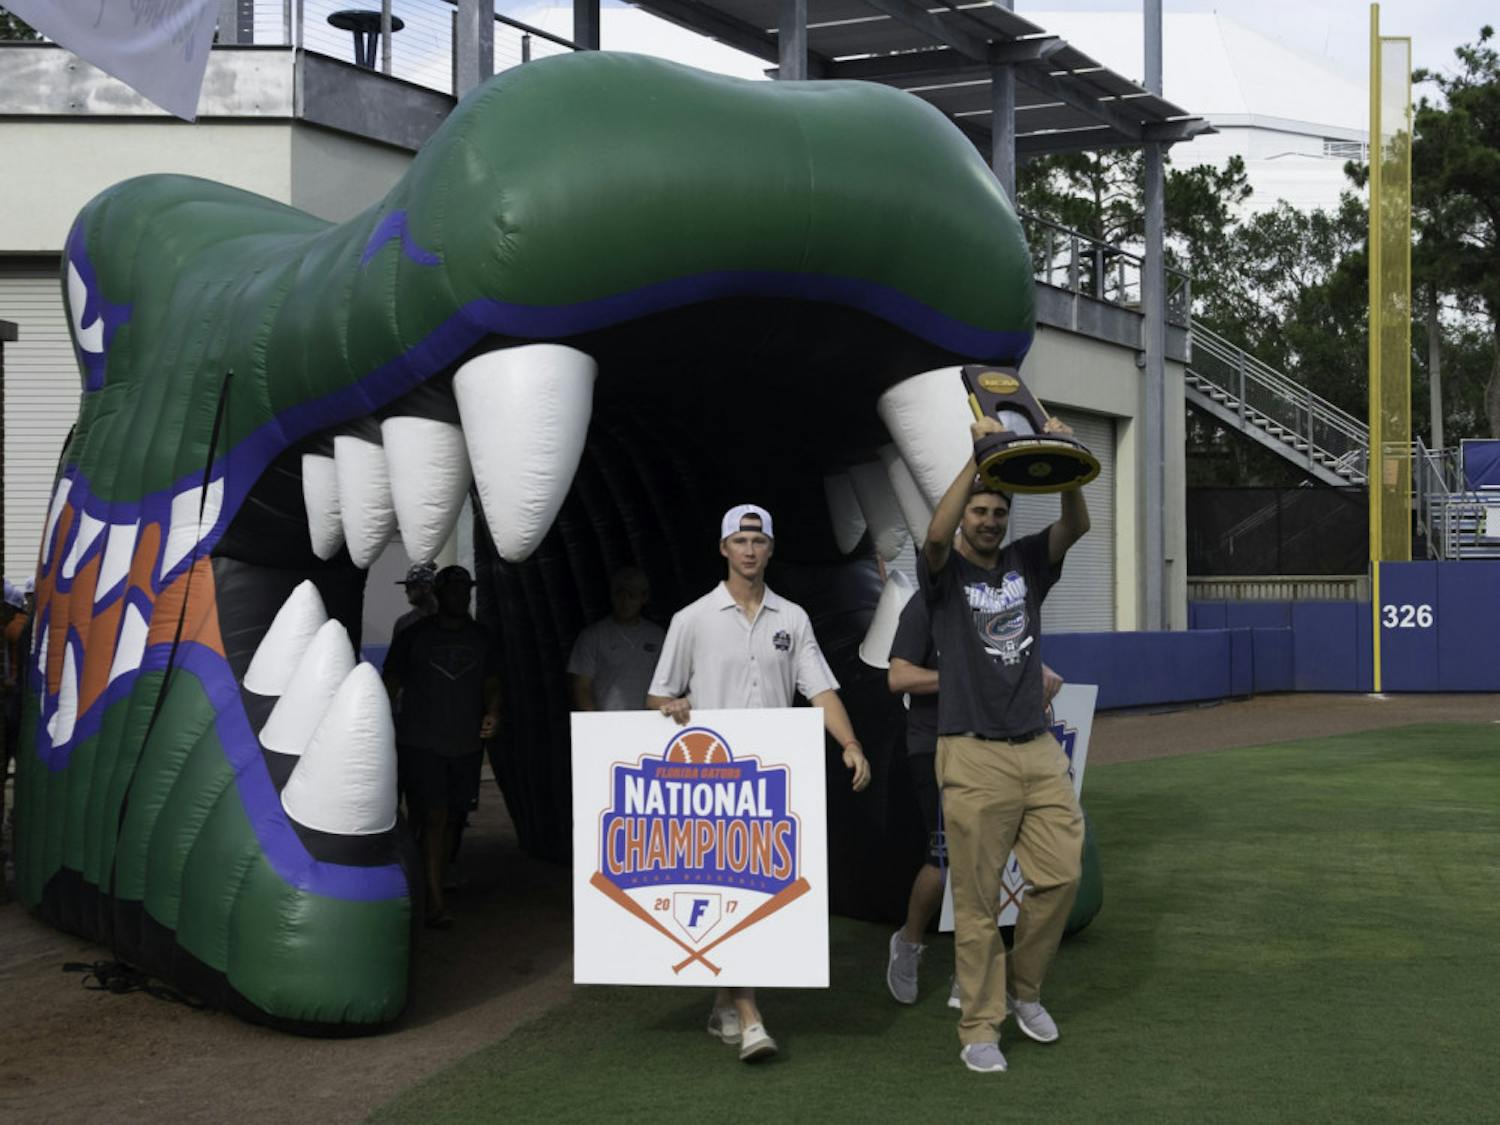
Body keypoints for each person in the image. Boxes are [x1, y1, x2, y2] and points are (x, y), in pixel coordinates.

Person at [647, 503, 872, 1064]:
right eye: (740, 540)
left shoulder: (792, 619)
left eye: (759, 540)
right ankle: (750, 1016)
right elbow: (657, 694)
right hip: (709, 783)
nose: (750, 550)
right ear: (723, 548)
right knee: (732, 892)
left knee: (753, 895)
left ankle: (725, 1002)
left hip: (772, 782)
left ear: (770, 550)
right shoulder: (691, 619)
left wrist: (850, 743)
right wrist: (671, 705)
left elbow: (819, 690)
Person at [921, 413, 1089, 1074]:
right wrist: (982, 456)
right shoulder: (945, 574)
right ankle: (980, 1024)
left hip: (1036, 746)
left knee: (1062, 873)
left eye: (998, 511)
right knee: (978, 900)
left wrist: (1069, 455)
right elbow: (935, 533)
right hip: (971, 751)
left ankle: (1023, 988)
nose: (988, 519)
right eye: (980, 510)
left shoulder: (1026, 561)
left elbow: (1076, 525)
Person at [884, 589, 1064, 1009]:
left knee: (986, 859)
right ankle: (909, 941)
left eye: (997, 517)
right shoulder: (927, 602)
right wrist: (963, 676)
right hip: (936, 743)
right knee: (944, 859)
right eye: (976, 518)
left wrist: (1039, 672)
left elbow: (1012, 661)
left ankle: (970, 968)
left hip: (995, 743)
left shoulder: (1004, 602)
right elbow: (898, 678)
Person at [382, 565, 501, 929]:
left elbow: (492, 681)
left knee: (452, 819)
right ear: (438, 592)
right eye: (452, 590)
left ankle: (429, 883)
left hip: (465, 745)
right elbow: (390, 683)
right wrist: (382, 728)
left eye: (465, 590)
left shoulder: (482, 638)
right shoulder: (413, 635)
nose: (460, 596)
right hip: (422, 743)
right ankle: (433, 902)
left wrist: (494, 712)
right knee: (432, 817)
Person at [567, 567, 664, 711]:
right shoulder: (593, 636)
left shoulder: (658, 636)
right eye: (619, 594)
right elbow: (582, 687)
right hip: (607, 725)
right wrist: (596, 723)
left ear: (644, 597)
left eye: (631, 595)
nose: (624, 601)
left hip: (647, 726)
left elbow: (666, 686)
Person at [391, 562, 438, 641]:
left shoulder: (448, 621)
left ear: (426, 588)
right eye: (406, 587)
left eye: (411, 587)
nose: (406, 591)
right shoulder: (403, 623)